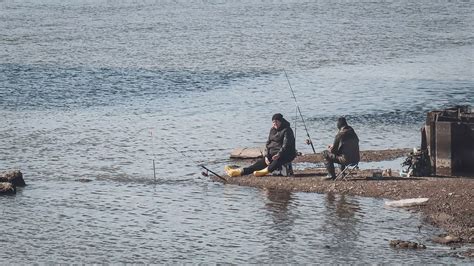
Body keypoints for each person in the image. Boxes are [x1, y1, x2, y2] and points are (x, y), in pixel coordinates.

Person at [225, 113, 296, 177]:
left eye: (276, 122)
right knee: (258, 164)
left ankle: (264, 171)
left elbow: (286, 145)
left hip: (286, 154)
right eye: (273, 122)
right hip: (272, 154)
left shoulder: (287, 130)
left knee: (277, 161)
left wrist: (279, 154)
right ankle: (239, 172)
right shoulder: (272, 130)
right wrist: (266, 156)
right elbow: (268, 144)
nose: (275, 124)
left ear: (281, 121)